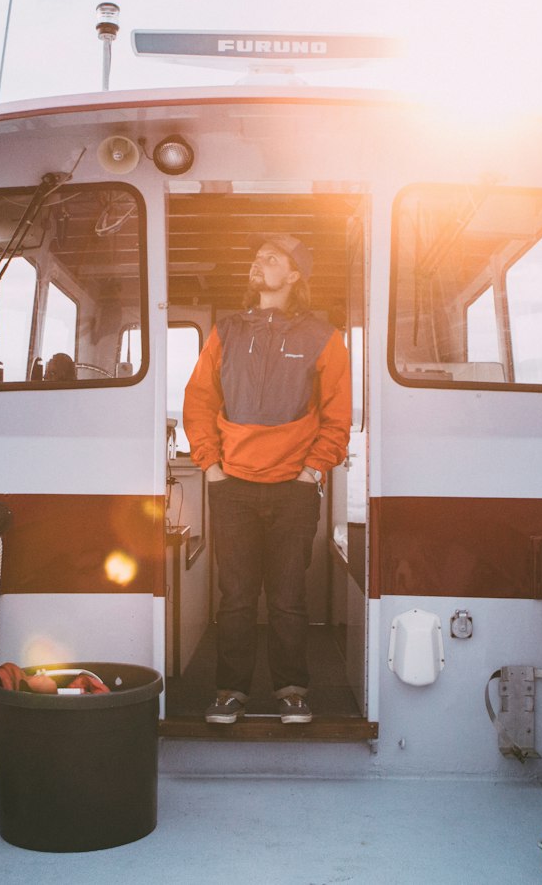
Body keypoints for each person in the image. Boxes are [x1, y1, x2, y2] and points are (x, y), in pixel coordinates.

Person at [183, 234, 352, 724]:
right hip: (231, 485)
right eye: (257, 256)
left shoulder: (324, 337)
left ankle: (292, 690)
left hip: (294, 488)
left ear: (295, 276)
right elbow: (199, 402)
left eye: (273, 258)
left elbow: (337, 416)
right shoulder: (227, 331)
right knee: (234, 597)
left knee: (287, 596)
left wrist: (310, 471)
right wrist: (211, 466)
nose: (260, 262)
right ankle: (230, 692)